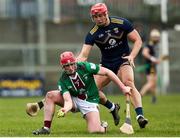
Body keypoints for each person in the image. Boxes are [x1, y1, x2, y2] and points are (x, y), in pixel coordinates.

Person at [76, 3, 148, 128]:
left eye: (100, 16)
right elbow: (83, 55)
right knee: (91, 91)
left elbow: (138, 40)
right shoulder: (93, 33)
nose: (98, 19)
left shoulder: (121, 23)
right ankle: (112, 107)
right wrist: (73, 66)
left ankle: (140, 116)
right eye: (95, 17)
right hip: (106, 65)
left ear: (106, 14)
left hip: (123, 60)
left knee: (128, 82)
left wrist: (132, 56)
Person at [32, 51, 131, 135]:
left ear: (75, 62)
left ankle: (103, 125)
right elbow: (68, 100)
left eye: (72, 64)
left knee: (94, 131)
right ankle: (46, 128)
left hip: (90, 101)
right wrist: (65, 109)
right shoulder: (62, 80)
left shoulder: (85, 67)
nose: (70, 68)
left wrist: (123, 88)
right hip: (74, 101)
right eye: (67, 66)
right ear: (62, 66)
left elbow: (107, 72)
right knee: (50, 95)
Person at [140, 29, 161, 103]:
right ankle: (139, 96)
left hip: (153, 67)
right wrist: (153, 59)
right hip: (150, 67)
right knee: (150, 83)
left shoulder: (154, 45)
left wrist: (156, 60)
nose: (157, 38)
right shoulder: (149, 45)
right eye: (156, 37)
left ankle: (154, 98)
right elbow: (144, 53)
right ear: (152, 37)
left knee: (153, 84)